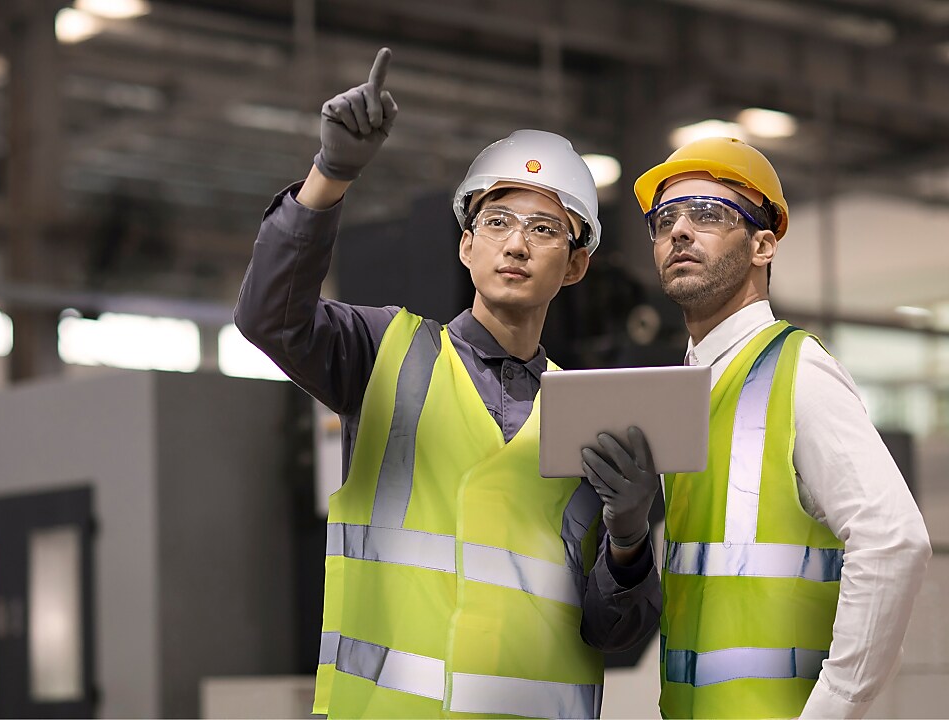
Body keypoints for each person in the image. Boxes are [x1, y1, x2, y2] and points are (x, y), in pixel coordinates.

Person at [234, 47, 660, 719]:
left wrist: (631, 535)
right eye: (496, 222)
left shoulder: (589, 418)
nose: (515, 245)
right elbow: (268, 317)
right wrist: (331, 175)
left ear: (576, 265)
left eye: (543, 229)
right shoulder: (384, 354)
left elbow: (613, 631)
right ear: (466, 247)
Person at [628, 136, 932, 718]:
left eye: (709, 214)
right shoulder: (692, 386)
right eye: (666, 219)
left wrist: (830, 709)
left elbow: (895, 540)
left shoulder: (798, 371)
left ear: (763, 245)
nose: (680, 232)